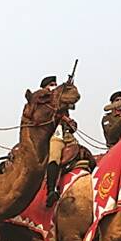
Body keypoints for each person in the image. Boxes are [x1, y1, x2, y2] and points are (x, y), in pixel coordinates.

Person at [40, 76, 77, 207]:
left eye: (55, 84)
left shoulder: (61, 101)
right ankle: (51, 191)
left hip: (66, 135)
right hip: (51, 135)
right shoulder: (42, 102)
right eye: (51, 84)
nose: (53, 87)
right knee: (54, 156)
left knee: (84, 155)